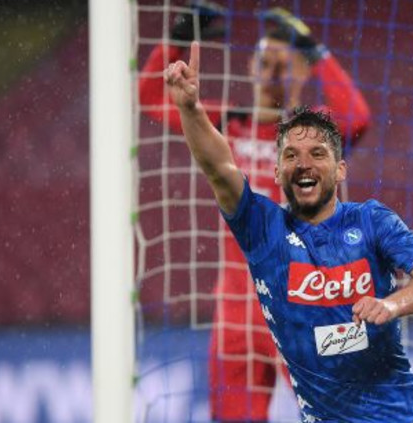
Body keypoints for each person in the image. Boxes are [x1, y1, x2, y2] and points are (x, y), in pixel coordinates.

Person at [164, 39, 413, 423]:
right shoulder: (263, 230)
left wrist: (391, 304)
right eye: (291, 155)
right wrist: (190, 108)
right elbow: (219, 167)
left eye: (317, 154)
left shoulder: (372, 220)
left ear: (340, 169)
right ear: (276, 172)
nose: (304, 164)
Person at [138, 3, 370, 421]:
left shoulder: (314, 133)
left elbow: (357, 117)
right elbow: (152, 97)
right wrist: (176, 39)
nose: (274, 70)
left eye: (285, 62)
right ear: (250, 67)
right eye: (266, 60)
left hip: (305, 306)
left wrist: (314, 50)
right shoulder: (227, 124)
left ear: (303, 73)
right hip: (236, 314)